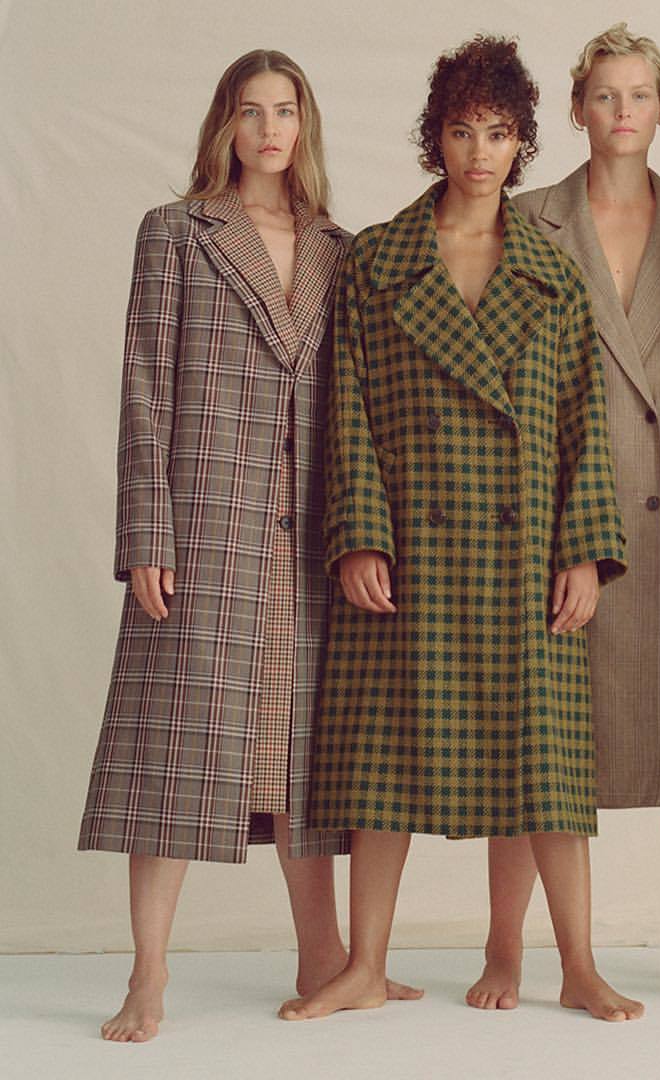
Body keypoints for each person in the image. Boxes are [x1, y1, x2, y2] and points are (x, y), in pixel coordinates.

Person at [278, 35, 642, 1023]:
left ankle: (577, 965)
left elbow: (584, 423)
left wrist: (585, 552)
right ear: (434, 138)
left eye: (499, 132)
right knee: (380, 762)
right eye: (461, 130)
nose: (479, 151)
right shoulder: (377, 259)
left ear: (523, 142)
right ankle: (364, 965)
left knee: (547, 768)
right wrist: (359, 535)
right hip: (410, 553)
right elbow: (347, 410)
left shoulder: (553, 272)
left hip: (524, 555)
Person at [78, 49, 420, 1043]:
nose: (270, 130)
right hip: (204, 522)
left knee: (306, 752)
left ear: (305, 126)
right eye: (251, 111)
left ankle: (324, 956)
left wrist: (366, 532)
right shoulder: (178, 232)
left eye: (286, 111)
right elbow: (144, 384)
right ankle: (148, 974)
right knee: (173, 748)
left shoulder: (340, 248)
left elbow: (359, 400)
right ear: (225, 125)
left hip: (311, 533)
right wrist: (146, 531)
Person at [466, 24, 660, 1011]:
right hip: (560, 514)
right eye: (604, 94)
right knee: (535, 744)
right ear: (577, 107)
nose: (621, 112)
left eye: (639, 94)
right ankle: (506, 948)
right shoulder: (527, 218)